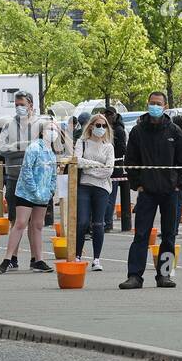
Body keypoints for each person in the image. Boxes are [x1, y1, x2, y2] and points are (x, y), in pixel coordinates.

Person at [120, 91, 182, 290]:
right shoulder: (138, 131)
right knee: (141, 235)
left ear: (165, 106)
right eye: (152, 103)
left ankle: (164, 275)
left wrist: (179, 185)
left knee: (169, 235)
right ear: (147, 104)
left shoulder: (175, 131)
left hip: (170, 192)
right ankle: (134, 276)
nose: (155, 106)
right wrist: (137, 184)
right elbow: (130, 161)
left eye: (158, 103)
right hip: (147, 192)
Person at [0, 119, 59, 274]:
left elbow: (53, 174)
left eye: (55, 129)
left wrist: (50, 190)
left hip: (43, 194)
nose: (53, 132)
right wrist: (34, 190)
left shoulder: (50, 152)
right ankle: (8, 258)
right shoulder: (34, 148)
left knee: (38, 225)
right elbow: (27, 170)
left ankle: (38, 260)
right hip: (26, 192)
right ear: (42, 131)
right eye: (50, 129)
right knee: (20, 223)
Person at [75, 112, 115, 270]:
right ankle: (77, 255)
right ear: (91, 126)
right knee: (82, 222)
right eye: (98, 125)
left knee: (99, 223)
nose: (101, 128)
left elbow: (109, 171)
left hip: (102, 188)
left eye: (104, 126)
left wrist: (89, 168)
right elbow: (78, 161)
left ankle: (96, 259)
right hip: (84, 186)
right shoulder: (82, 142)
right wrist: (98, 165)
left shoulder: (109, 147)